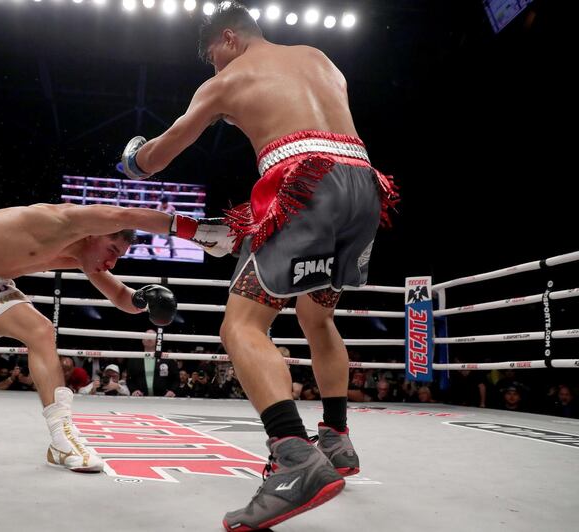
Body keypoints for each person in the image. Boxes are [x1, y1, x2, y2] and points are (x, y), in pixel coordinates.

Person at [120, 3, 399, 529]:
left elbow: (158, 160)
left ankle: (295, 456)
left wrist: (133, 156)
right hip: (363, 186)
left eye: (213, 57)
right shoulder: (319, 58)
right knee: (317, 320)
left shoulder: (227, 81)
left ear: (229, 38)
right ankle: (336, 440)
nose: (214, 69)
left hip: (303, 184)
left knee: (241, 326)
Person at [0, 202, 230, 472]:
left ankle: (61, 438)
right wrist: (194, 231)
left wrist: (143, 301)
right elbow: (127, 216)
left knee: (41, 331)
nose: (112, 262)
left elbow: (119, 296)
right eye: (112, 250)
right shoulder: (61, 220)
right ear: (95, 232)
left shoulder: (81, 256)